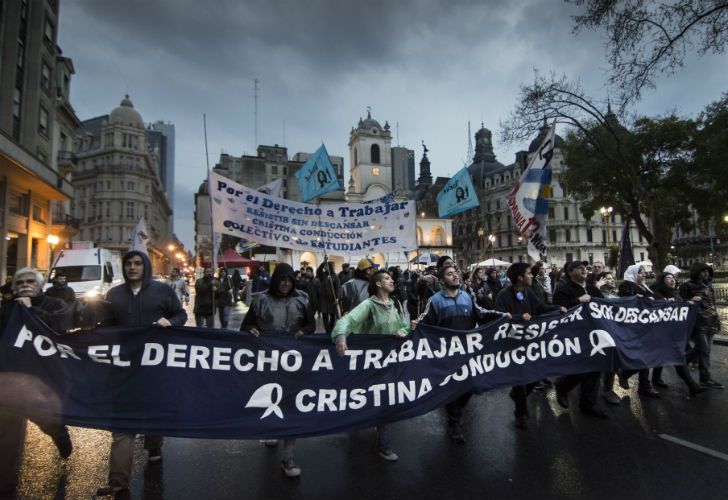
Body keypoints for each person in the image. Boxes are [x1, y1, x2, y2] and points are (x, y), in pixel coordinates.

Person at [96, 251, 187, 497]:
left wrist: (172, 323)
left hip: (154, 368)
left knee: (153, 412)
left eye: (137, 263)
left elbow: (181, 314)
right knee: (123, 424)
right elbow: (105, 326)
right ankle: (118, 481)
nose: (132, 267)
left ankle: (154, 444)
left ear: (145, 266)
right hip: (123, 369)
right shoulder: (114, 294)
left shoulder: (162, 291)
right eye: (129, 264)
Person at [0, 268, 75, 499]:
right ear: (13, 288)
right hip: (11, 382)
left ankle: (59, 434)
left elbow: (62, 325)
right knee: (6, 435)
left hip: (42, 380)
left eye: (30, 281)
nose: (24, 284)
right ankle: (5, 486)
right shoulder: (7, 310)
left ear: (40, 285)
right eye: (20, 282)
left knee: (47, 419)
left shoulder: (52, 304)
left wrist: (32, 311)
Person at [415, 265, 507, 441]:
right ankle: (454, 423)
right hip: (447, 354)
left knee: (470, 385)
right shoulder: (434, 301)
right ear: (442, 281)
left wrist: (501, 315)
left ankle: (455, 412)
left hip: (467, 352)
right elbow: (423, 322)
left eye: (455, 273)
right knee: (452, 387)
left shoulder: (466, 296)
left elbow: (481, 313)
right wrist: (410, 328)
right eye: (450, 274)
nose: (455, 276)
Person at [240, 263, 315, 478]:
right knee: (271, 400)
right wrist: (250, 330)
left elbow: (310, 324)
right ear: (275, 280)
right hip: (269, 361)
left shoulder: (302, 299)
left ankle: (288, 457)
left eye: (289, 280)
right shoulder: (261, 299)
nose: (285, 284)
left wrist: (303, 331)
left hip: (294, 360)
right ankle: (272, 432)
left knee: (290, 403)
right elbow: (246, 325)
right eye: (282, 279)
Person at [332, 270, 409, 462]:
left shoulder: (394, 305)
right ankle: (357, 424)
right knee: (366, 399)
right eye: (386, 278)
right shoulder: (368, 305)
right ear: (378, 284)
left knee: (385, 400)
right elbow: (347, 320)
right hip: (369, 365)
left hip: (389, 363)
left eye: (391, 277)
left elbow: (403, 325)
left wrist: (404, 329)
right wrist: (340, 335)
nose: (392, 280)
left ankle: (383, 444)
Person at [495, 263, 565, 428]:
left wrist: (558, 309)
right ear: (520, 277)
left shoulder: (528, 292)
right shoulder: (503, 296)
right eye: (528, 273)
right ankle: (521, 414)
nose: (532, 275)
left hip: (530, 342)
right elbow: (498, 317)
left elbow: (541, 308)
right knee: (519, 377)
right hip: (512, 344)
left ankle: (518, 395)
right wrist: (519, 317)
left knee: (536, 374)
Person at [552, 261, 608, 418]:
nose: (584, 269)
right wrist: (578, 301)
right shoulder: (563, 290)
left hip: (595, 332)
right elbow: (558, 311)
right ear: (570, 272)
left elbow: (605, 305)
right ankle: (563, 386)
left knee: (596, 367)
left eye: (585, 267)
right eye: (579, 267)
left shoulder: (591, 288)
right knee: (581, 367)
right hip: (575, 335)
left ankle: (588, 404)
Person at [651, 271, 706, 396]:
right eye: (668, 278)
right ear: (662, 280)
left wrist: (689, 302)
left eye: (673, 278)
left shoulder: (675, 292)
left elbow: (680, 305)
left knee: (663, 356)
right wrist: (665, 302)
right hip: (662, 331)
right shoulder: (656, 292)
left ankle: (655, 378)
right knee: (676, 356)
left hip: (674, 332)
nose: (672, 280)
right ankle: (692, 385)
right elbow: (654, 307)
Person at [617, 265, 660, 398]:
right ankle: (640, 383)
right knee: (643, 355)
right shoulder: (626, 286)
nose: (643, 276)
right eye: (640, 273)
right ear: (633, 273)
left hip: (646, 325)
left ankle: (636, 381)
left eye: (644, 274)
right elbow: (625, 302)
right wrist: (639, 298)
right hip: (634, 326)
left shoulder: (644, 287)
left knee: (646, 355)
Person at [679, 263, 723, 389]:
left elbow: (712, 303)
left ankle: (705, 378)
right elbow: (679, 303)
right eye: (703, 271)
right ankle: (681, 362)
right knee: (702, 349)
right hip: (698, 323)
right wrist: (689, 301)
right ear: (696, 272)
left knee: (706, 352)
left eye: (708, 271)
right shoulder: (686, 285)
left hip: (710, 322)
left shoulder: (709, 285)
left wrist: (717, 319)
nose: (706, 274)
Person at [315, 261, 341, 335]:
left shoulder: (335, 276)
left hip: (332, 299)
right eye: (325, 266)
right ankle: (327, 331)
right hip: (324, 299)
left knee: (333, 316)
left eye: (327, 266)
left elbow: (338, 287)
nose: (326, 268)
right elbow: (318, 271)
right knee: (325, 315)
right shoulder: (322, 275)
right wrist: (323, 263)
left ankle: (331, 328)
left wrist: (337, 298)